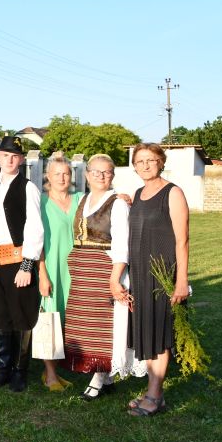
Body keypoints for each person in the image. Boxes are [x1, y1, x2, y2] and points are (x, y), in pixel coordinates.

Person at [63, 154, 146, 400]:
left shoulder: (117, 203)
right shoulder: (83, 199)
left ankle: (99, 375)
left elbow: (122, 245)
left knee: (104, 325)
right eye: (96, 172)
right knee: (85, 324)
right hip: (81, 271)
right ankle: (106, 376)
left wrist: (115, 278)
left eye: (106, 172)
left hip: (104, 269)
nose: (101, 176)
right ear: (87, 174)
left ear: (112, 176)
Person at [125, 143, 188, 417]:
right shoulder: (138, 194)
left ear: (161, 162)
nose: (145, 165)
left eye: (151, 160)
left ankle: (154, 395)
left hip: (163, 273)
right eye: (140, 161)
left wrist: (181, 281)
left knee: (160, 333)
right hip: (140, 274)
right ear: (134, 166)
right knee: (147, 331)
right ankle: (154, 391)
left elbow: (183, 240)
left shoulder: (172, 193)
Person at [0, 136, 43, 393]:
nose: (9, 160)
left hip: (18, 260)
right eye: (5, 155)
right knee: (2, 315)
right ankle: (3, 368)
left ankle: (20, 371)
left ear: (21, 160)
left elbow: (35, 228)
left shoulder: (28, 187)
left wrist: (27, 266)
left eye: (15, 156)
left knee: (21, 314)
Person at [35, 156, 81, 391]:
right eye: (57, 174)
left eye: (66, 173)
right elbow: (36, 242)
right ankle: (50, 374)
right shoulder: (40, 203)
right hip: (52, 267)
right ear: (48, 177)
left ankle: (74, 365)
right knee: (49, 320)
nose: (62, 178)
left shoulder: (81, 200)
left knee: (73, 318)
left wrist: (124, 196)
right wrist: (42, 273)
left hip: (77, 268)